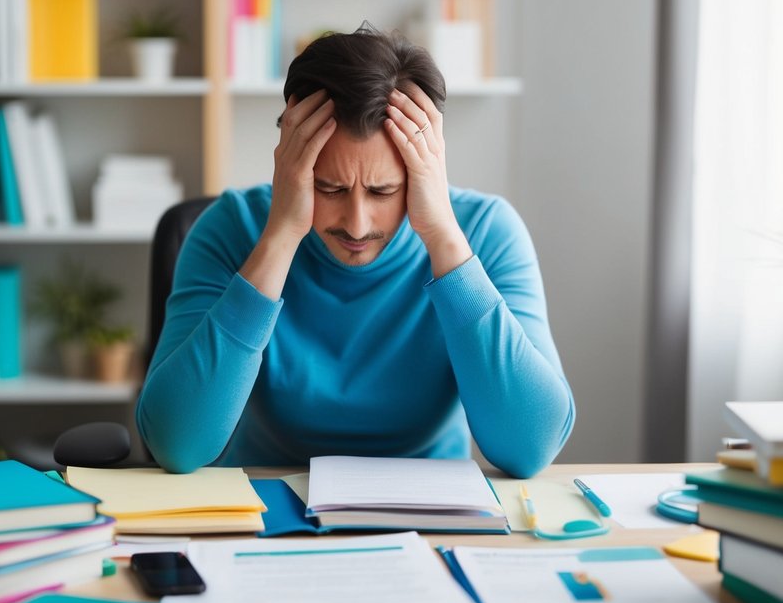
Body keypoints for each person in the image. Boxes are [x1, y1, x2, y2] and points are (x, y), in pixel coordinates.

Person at [136, 27, 574, 479]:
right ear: (291, 162)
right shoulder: (230, 230)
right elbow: (176, 444)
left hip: (431, 511)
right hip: (266, 500)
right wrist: (282, 234)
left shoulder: (486, 232)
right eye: (330, 188)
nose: (357, 224)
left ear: (425, 169)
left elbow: (531, 447)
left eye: (384, 190)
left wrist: (443, 236)